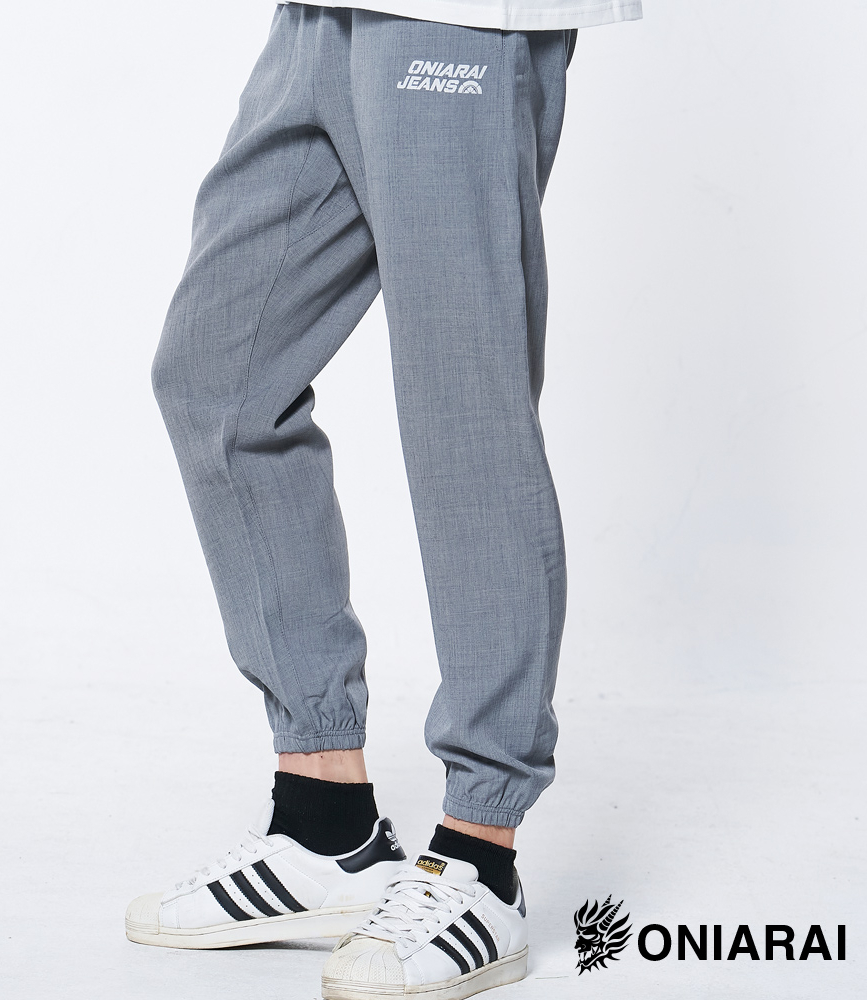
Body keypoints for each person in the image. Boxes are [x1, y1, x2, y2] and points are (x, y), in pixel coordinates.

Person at [126, 1, 641, 997]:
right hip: (320, 15)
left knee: (463, 406)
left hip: (458, 18)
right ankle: (327, 827)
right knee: (217, 379)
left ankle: (480, 854)